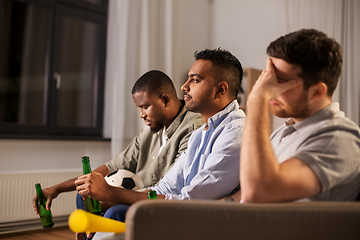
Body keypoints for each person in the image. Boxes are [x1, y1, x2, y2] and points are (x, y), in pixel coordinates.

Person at [74, 48, 245, 229]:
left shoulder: (235, 135)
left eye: (195, 80)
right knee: (112, 210)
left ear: (220, 89)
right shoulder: (201, 133)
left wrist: (112, 193)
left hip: (202, 221)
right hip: (184, 209)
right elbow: (164, 188)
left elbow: (192, 201)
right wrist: (110, 195)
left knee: (118, 214)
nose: (184, 87)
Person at [33, 70, 204, 214]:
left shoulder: (193, 128)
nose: (141, 115)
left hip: (159, 202)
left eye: (145, 107)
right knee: (84, 195)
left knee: (113, 210)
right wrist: (57, 189)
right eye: (139, 108)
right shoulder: (150, 130)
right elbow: (112, 167)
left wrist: (110, 195)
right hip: (135, 195)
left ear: (164, 100)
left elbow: (170, 188)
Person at [239, 29, 360, 203]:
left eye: (278, 82)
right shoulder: (284, 132)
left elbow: (258, 193)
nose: (268, 90)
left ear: (317, 92)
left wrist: (256, 101)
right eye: (267, 78)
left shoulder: (339, 139)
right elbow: (246, 191)